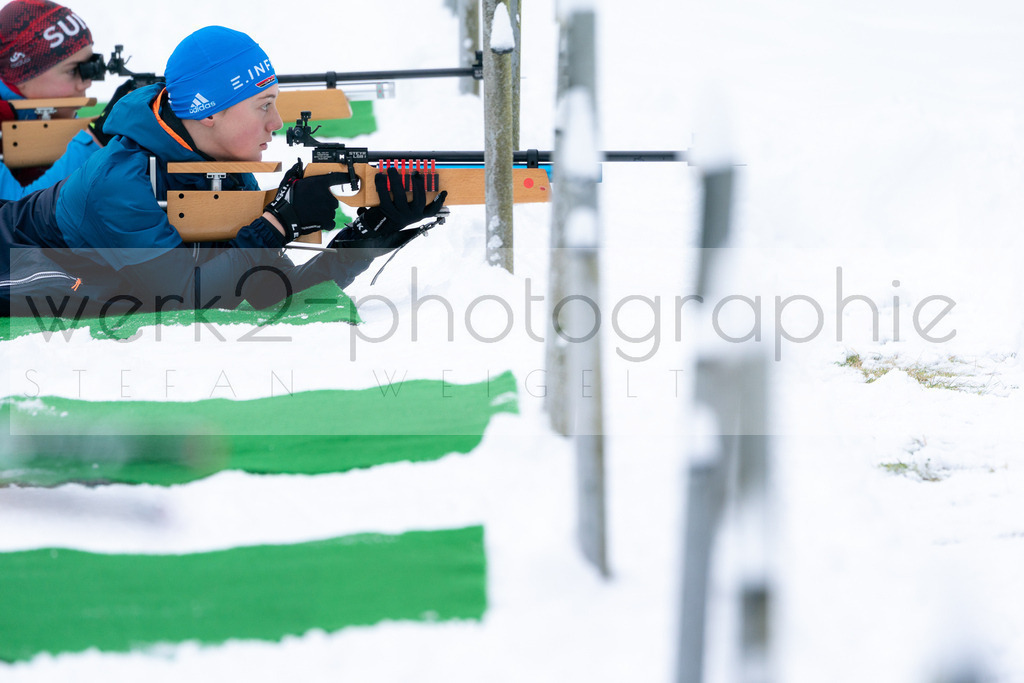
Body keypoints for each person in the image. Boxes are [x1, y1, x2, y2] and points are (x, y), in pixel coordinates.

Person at [0, 25, 446, 317]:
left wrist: (367, 238)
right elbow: (179, 300)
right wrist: (277, 223)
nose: (276, 124)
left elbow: (271, 292)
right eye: (264, 107)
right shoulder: (120, 181)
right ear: (208, 113)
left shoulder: (219, 164)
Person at [0, 0, 103, 200]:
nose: (86, 83)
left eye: (90, 67)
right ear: (22, 78)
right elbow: (13, 211)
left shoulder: (45, 120)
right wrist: (95, 141)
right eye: (73, 70)